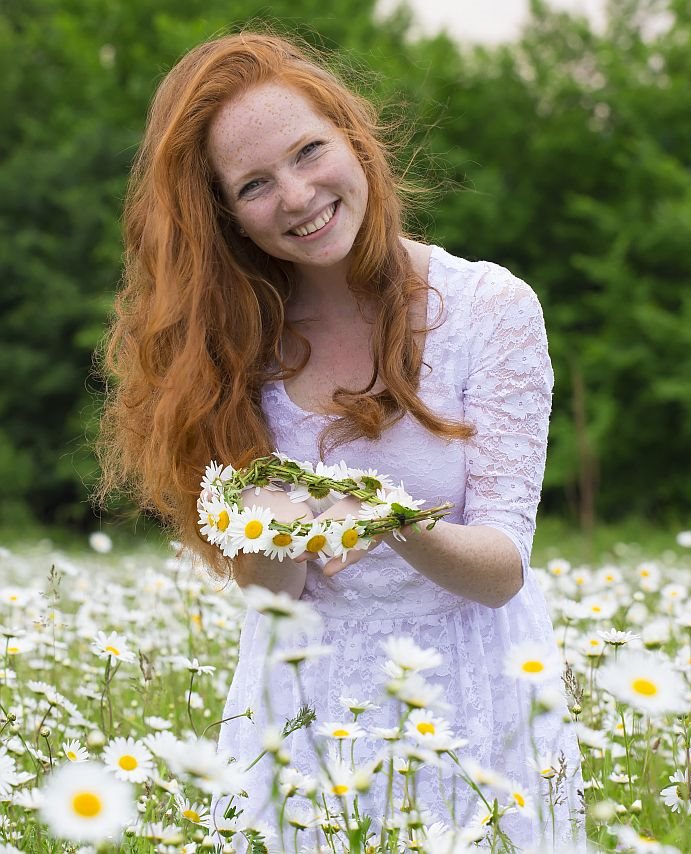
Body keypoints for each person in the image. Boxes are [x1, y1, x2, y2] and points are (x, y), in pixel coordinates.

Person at [98, 30, 585, 851]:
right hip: (306, 704)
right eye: (254, 184)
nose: (295, 195)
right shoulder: (229, 345)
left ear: (354, 141)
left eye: (308, 152)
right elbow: (270, 590)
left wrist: (387, 515)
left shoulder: (491, 309)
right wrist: (278, 521)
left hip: (473, 696)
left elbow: (503, 569)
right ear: (228, 220)